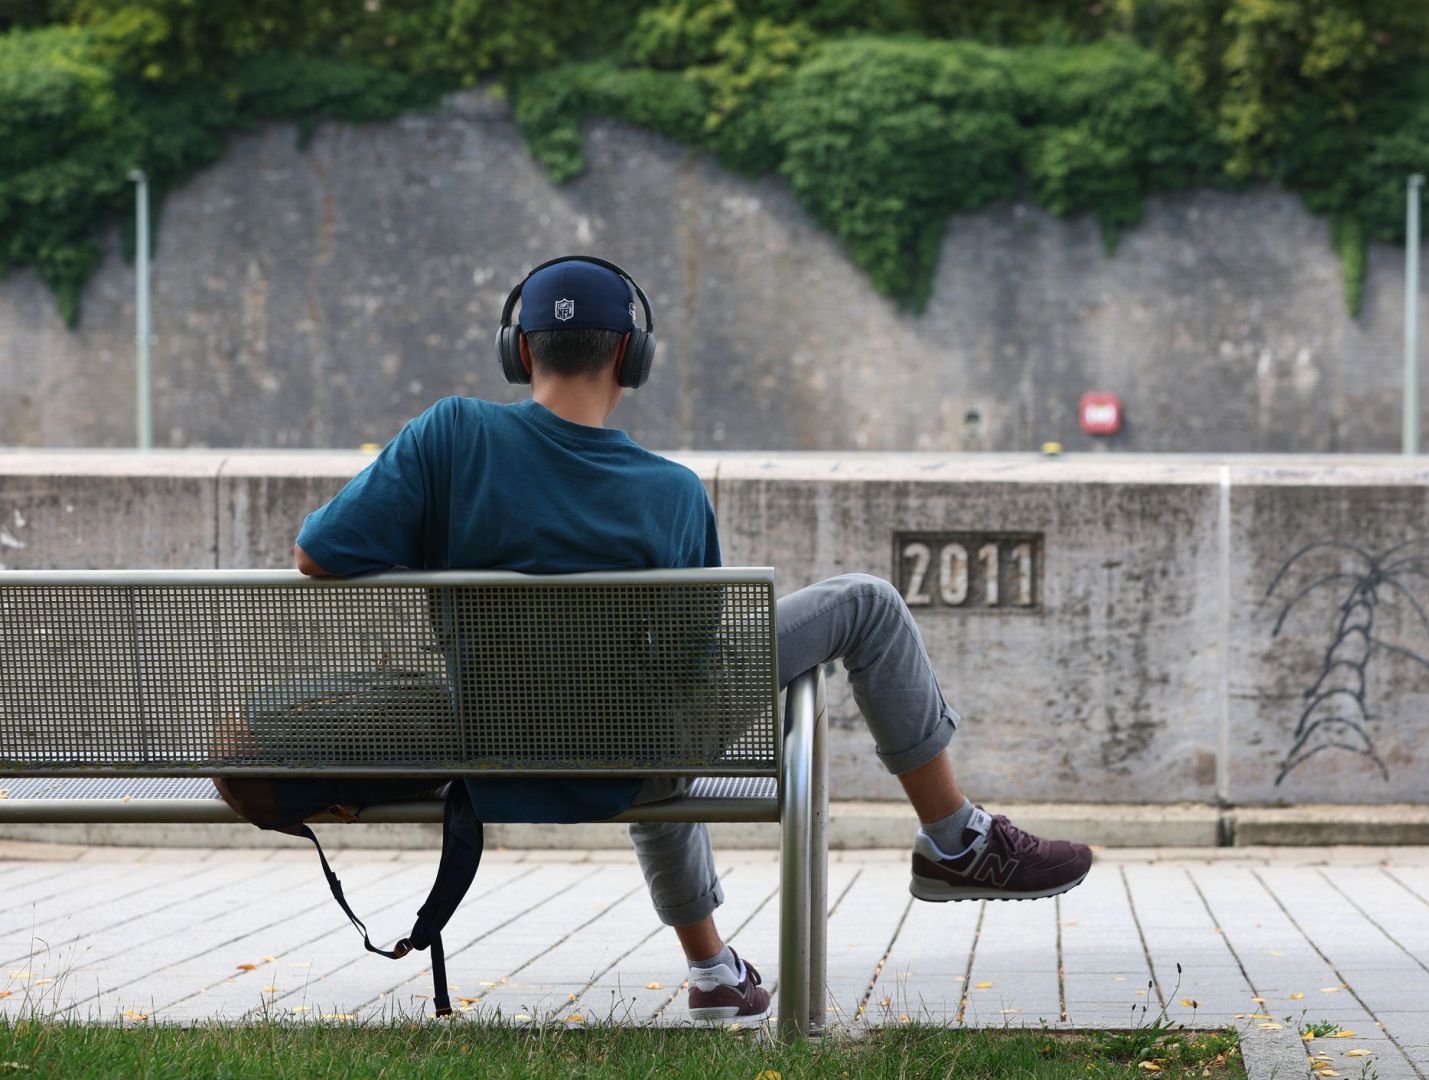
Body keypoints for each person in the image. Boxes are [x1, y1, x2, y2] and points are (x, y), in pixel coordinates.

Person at [291, 256, 1092, 1026]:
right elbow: (687, 663)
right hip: (629, 761)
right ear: (629, 356)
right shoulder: (668, 490)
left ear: (520, 349)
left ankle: (715, 973)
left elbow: (318, 555)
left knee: (632, 706)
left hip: (494, 753)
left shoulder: (447, 436)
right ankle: (955, 839)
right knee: (861, 606)